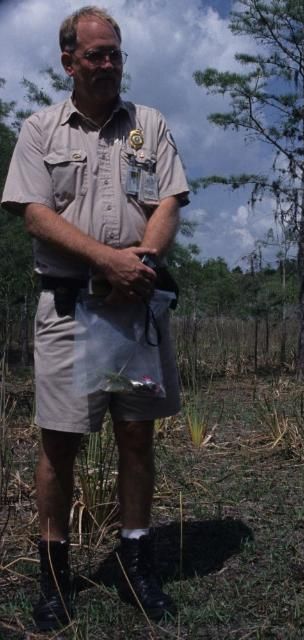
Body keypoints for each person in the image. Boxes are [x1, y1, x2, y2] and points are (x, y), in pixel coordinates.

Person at [1, 6, 189, 631]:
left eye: (115, 54)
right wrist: (108, 261)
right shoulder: (40, 130)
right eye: (95, 56)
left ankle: (137, 561)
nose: (107, 65)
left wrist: (141, 264)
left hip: (134, 309)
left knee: (137, 436)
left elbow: (168, 200)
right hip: (68, 308)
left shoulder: (150, 125)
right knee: (60, 444)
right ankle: (54, 577)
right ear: (68, 62)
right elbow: (32, 212)